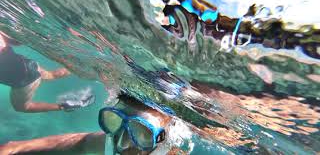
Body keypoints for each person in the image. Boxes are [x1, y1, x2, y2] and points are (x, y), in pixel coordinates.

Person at [0, 92, 253, 155]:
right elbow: (78, 142)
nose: (122, 142)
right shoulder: (120, 143)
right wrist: (16, 147)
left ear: (163, 139)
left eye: (140, 134)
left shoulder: (183, 145)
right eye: (114, 122)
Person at [0, 31, 89, 112]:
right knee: (52, 75)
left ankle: (65, 106)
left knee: (22, 108)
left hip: (24, 82)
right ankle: (81, 64)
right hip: (29, 65)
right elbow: (15, 41)